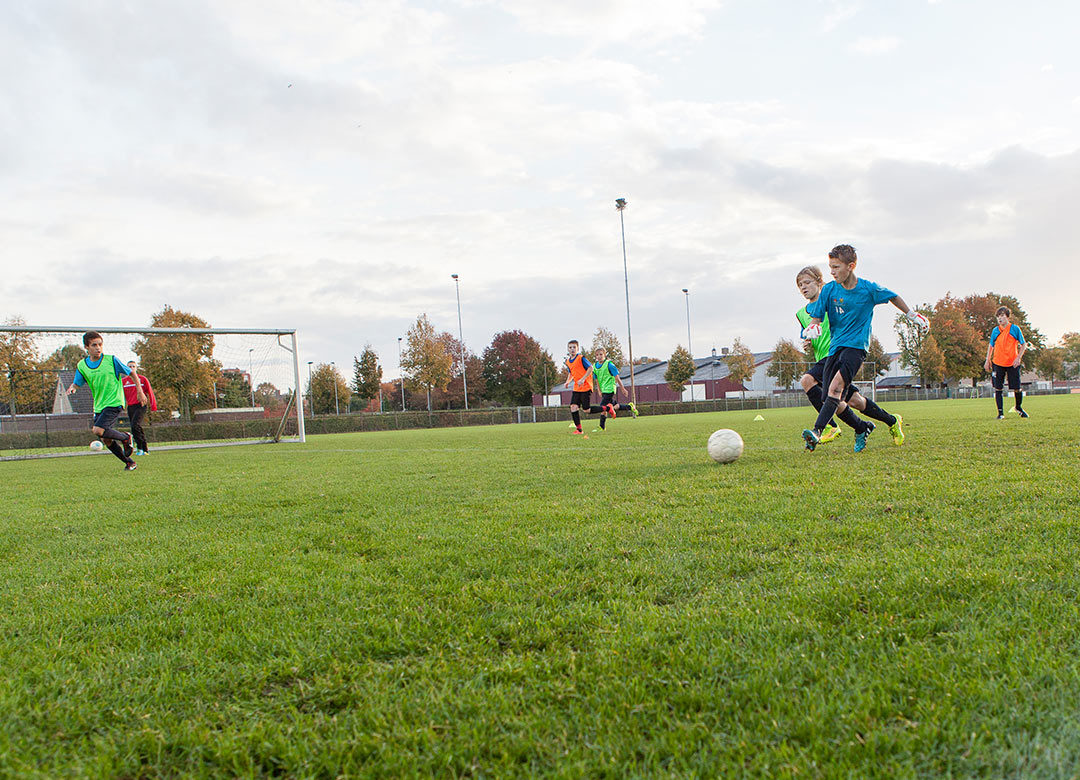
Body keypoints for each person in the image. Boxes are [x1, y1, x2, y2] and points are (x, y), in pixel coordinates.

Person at [801, 245, 929, 453]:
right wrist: (814, 325)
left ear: (851, 266)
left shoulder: (868, 289)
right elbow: (817, 315)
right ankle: (882, 422)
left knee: (834, 390)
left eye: (836, 267)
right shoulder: (829, 290)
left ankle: (817, 431)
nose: (831, 272)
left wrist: (911, 314)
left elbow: (893, 296)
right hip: (835, 349)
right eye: (830, 267)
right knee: (848, 401)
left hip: (856, 348)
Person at [65, 331, 138, 470]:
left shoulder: (111, 360)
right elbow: (77, 382)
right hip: (99, 405)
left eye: (100, 344)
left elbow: (131, 372)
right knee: (106, 439)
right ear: (86, 347)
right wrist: (73, 387)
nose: (98, 348)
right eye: (94, 345)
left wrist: (139, 392)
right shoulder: (82, 365)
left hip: (114, 402)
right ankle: (129, 462)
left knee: (98, 430)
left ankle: (126, 437)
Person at [984, 305, 1028, 419]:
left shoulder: (1014, 329)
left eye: (1002, 315)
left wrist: (1018, 358)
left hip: (1012, 363)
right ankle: (1000, 413)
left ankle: (1018, 407)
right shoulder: (995, 330)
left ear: (1007, 317)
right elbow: (991, 345)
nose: (1000, 318)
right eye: (998, 316)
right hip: (998, 363)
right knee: (998, 388)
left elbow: (1023, 344)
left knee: (1017, 387)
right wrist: (987, 360)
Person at [589, 347, 637, 432]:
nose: (599, 356)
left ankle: (602, 426)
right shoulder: (594, 367)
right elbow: (596, 380)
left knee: (603, 407)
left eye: (601, 354)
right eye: (597, 355)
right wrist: (599, 390)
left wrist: (622, 388)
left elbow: (617, 378)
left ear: (605, 355)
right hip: (603, 390)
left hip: (610, 389)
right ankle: (630, 407)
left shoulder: (609, 364)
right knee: (615, 406)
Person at [122, 360, 158, 455]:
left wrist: (153, 406)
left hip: (141, 405)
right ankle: (143, 449)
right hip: (130, 406)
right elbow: (120, 395)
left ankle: (141, 448)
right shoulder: (123, 382)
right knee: (135, 427)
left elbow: (150, 392)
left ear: (136, 368)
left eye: (133, 366)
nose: (131, 368)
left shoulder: (142, 379)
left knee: (135, 425)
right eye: (129, 366)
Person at [564, 340, 596, 436]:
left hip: (585, 386)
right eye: (570, 347)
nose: (572, 349)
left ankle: (606, 408)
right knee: (573, 407)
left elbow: (591, 368)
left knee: (586, 410)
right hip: (577, 388)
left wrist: (583, 379)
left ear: (577, 348)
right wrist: (568, 381)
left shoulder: (581, 358)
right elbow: (571, 373)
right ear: (568, 349)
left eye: (574, 347)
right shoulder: (568, 362)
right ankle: (579, 430)